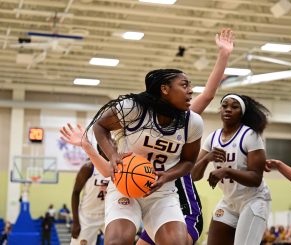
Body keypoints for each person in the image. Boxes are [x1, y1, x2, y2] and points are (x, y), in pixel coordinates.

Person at [61, 67, 204, 245]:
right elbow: (100, 126)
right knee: (117, 241)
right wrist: (113, 155)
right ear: (164, 89)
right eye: (184, 85)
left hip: (162, 192)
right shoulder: (133, 109)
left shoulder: (192, 122)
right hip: (124, 188)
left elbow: (188, 162)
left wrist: (166, 175)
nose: (190, 90)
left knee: (176, 243)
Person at [137, 28, 234, 245]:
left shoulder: (184, 119)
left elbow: (207, 95)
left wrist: (224, 55)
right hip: (157, 207)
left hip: (184, 207)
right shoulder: (141, 123)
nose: (189, 90)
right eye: (184, 85)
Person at [191, 93, 272, 245]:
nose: (228, 109)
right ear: (220, 109)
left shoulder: (250, 136)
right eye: (224, 106)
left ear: (242, 113)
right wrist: (206, 159)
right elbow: (193, 176)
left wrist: (227, 171)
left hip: (253, 199)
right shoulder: (212, 138)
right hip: (229, 201)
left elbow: (256, 179)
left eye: (234, 107)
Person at [70, 145, 110, 245]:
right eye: (111, 144)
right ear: (101, 149)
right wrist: (75, 222)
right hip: (87, 216)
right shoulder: (88, 167)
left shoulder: (117, 167)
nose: (115, 147)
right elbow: (75, 193)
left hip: (108, 215)